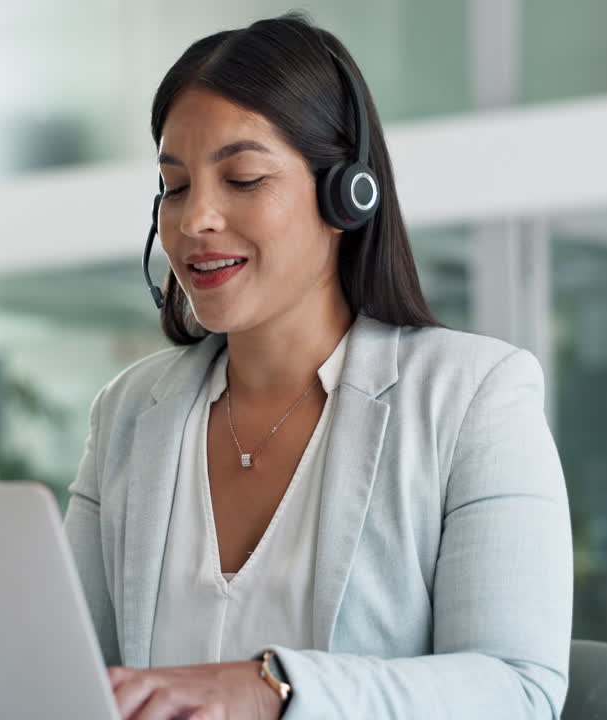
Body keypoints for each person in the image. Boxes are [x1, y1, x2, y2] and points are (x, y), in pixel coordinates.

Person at [63, 12, 572, 720]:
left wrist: (275, 688)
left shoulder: (474, 399)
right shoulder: (125, 413)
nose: (194, 220)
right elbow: (69, 675)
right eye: (175, 187)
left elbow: (518, 690)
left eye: (242, 178)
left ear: (346, 195)